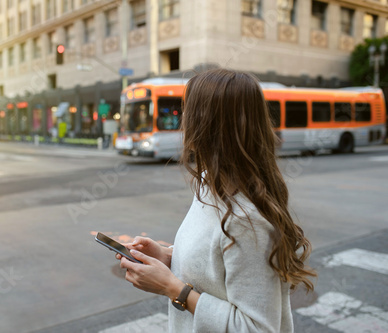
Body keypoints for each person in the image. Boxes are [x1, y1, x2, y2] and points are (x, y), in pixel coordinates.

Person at [115, 68, 316, 332]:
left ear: (208, 126)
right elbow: (217, 266)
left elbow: (257, 328)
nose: (182, 120)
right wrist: (168, 257)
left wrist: (172, 287)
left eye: (189, 111)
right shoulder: (209, 184)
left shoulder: (246, 220)